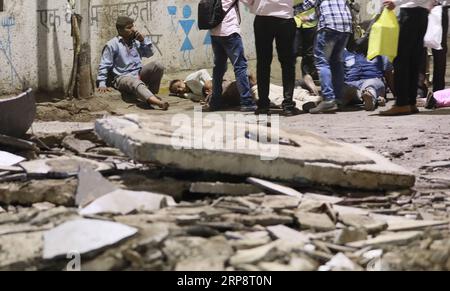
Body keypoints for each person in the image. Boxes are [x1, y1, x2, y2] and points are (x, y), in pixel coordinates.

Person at [96, 16, 169, 110]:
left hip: (138, 73)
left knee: (158, 66)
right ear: (120, 30)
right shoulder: (112, 44)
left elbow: (149, 54)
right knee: (134, 82)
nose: (133, 30)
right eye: (129, 27)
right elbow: (104, 64)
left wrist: (143, 41)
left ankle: (150, 94)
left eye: (133, 26)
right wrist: (102, 83)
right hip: (122, 77)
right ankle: (158, 102)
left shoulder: (136, 41)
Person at [294, 0, 353, 114]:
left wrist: (287, 10)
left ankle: (328, 99)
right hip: (345, 26)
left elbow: (308, 4)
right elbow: (324, 8)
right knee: (336, 61)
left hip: (329, 26)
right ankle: (339, 99)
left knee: (322, 62)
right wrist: (309, 18)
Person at [242, 0, 299, 116]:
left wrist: (258, 5)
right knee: (288, 63)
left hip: (263, 18)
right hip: (285, 18)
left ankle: (263, 105)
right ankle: (288, 105)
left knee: (263, 63)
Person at [380, 0, 435, 116]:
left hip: (410, 14)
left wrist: (396, 2)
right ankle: (410, 102)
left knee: (401, 60)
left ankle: (402, 103)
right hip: (421, 13)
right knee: (413, 60)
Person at [206, 0, 257, 112]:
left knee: (218, 68)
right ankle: (246, 102)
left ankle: (215, 102)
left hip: (215, 32)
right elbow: (250, 2)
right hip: (229, 32)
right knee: (240, 66)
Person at [342, 40, 395, 111]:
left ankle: (368, 97)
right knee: (351, 88)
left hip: (367, 81)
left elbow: (388, 74)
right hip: (357, 83)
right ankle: (369, 97)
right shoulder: (346, 53)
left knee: (369, 86)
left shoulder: (380, 53)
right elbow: (389, 75)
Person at [170, 69, 259, 108]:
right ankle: (250, 85)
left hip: (215, 85)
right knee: (232, 98)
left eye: (178, 86)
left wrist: (208, 82)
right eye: (177, 90)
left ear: (181, 81)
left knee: (231, 89)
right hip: (212, 94)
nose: (180, 89)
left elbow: (202, 71)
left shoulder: (189, 79)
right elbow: (191, 96)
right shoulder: (189, 94)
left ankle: (248, 78)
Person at [293, 2, 320, 96]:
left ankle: (307, 77)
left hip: (310, 23)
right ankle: (291, 82)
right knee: (293, 52)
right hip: (294, 22)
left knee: (309, 54)